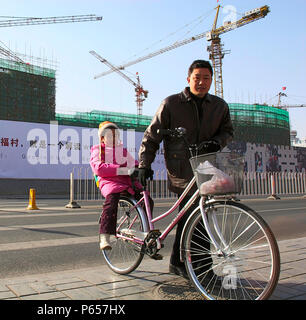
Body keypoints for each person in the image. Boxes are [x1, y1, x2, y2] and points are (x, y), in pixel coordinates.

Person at [137, 59, 234, 278]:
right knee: (195, 215)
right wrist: (144, 165)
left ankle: (179, 263)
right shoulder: (171, 104)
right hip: (181, 169)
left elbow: (228, 131)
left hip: (207, 167)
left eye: (206, 78)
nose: (201, 82)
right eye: (197, 77)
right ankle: (201, 268)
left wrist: (217, 142)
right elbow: (152, 136)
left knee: (197, 216)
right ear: (188, 79)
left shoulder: (220, 106)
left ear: (211, 80)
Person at [90, 121, 154, 250]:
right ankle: (105, 236)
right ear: (102, 138)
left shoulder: (122, 151)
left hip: (127, 182)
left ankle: (146, 233)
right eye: (109, 135)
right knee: (111, 203)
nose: (113, 138)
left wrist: (142, 169)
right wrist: (123, 170)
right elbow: (99, 168)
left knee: (147, 201)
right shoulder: (98, 150)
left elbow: (134, 164)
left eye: (115, 135)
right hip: (110, 182)